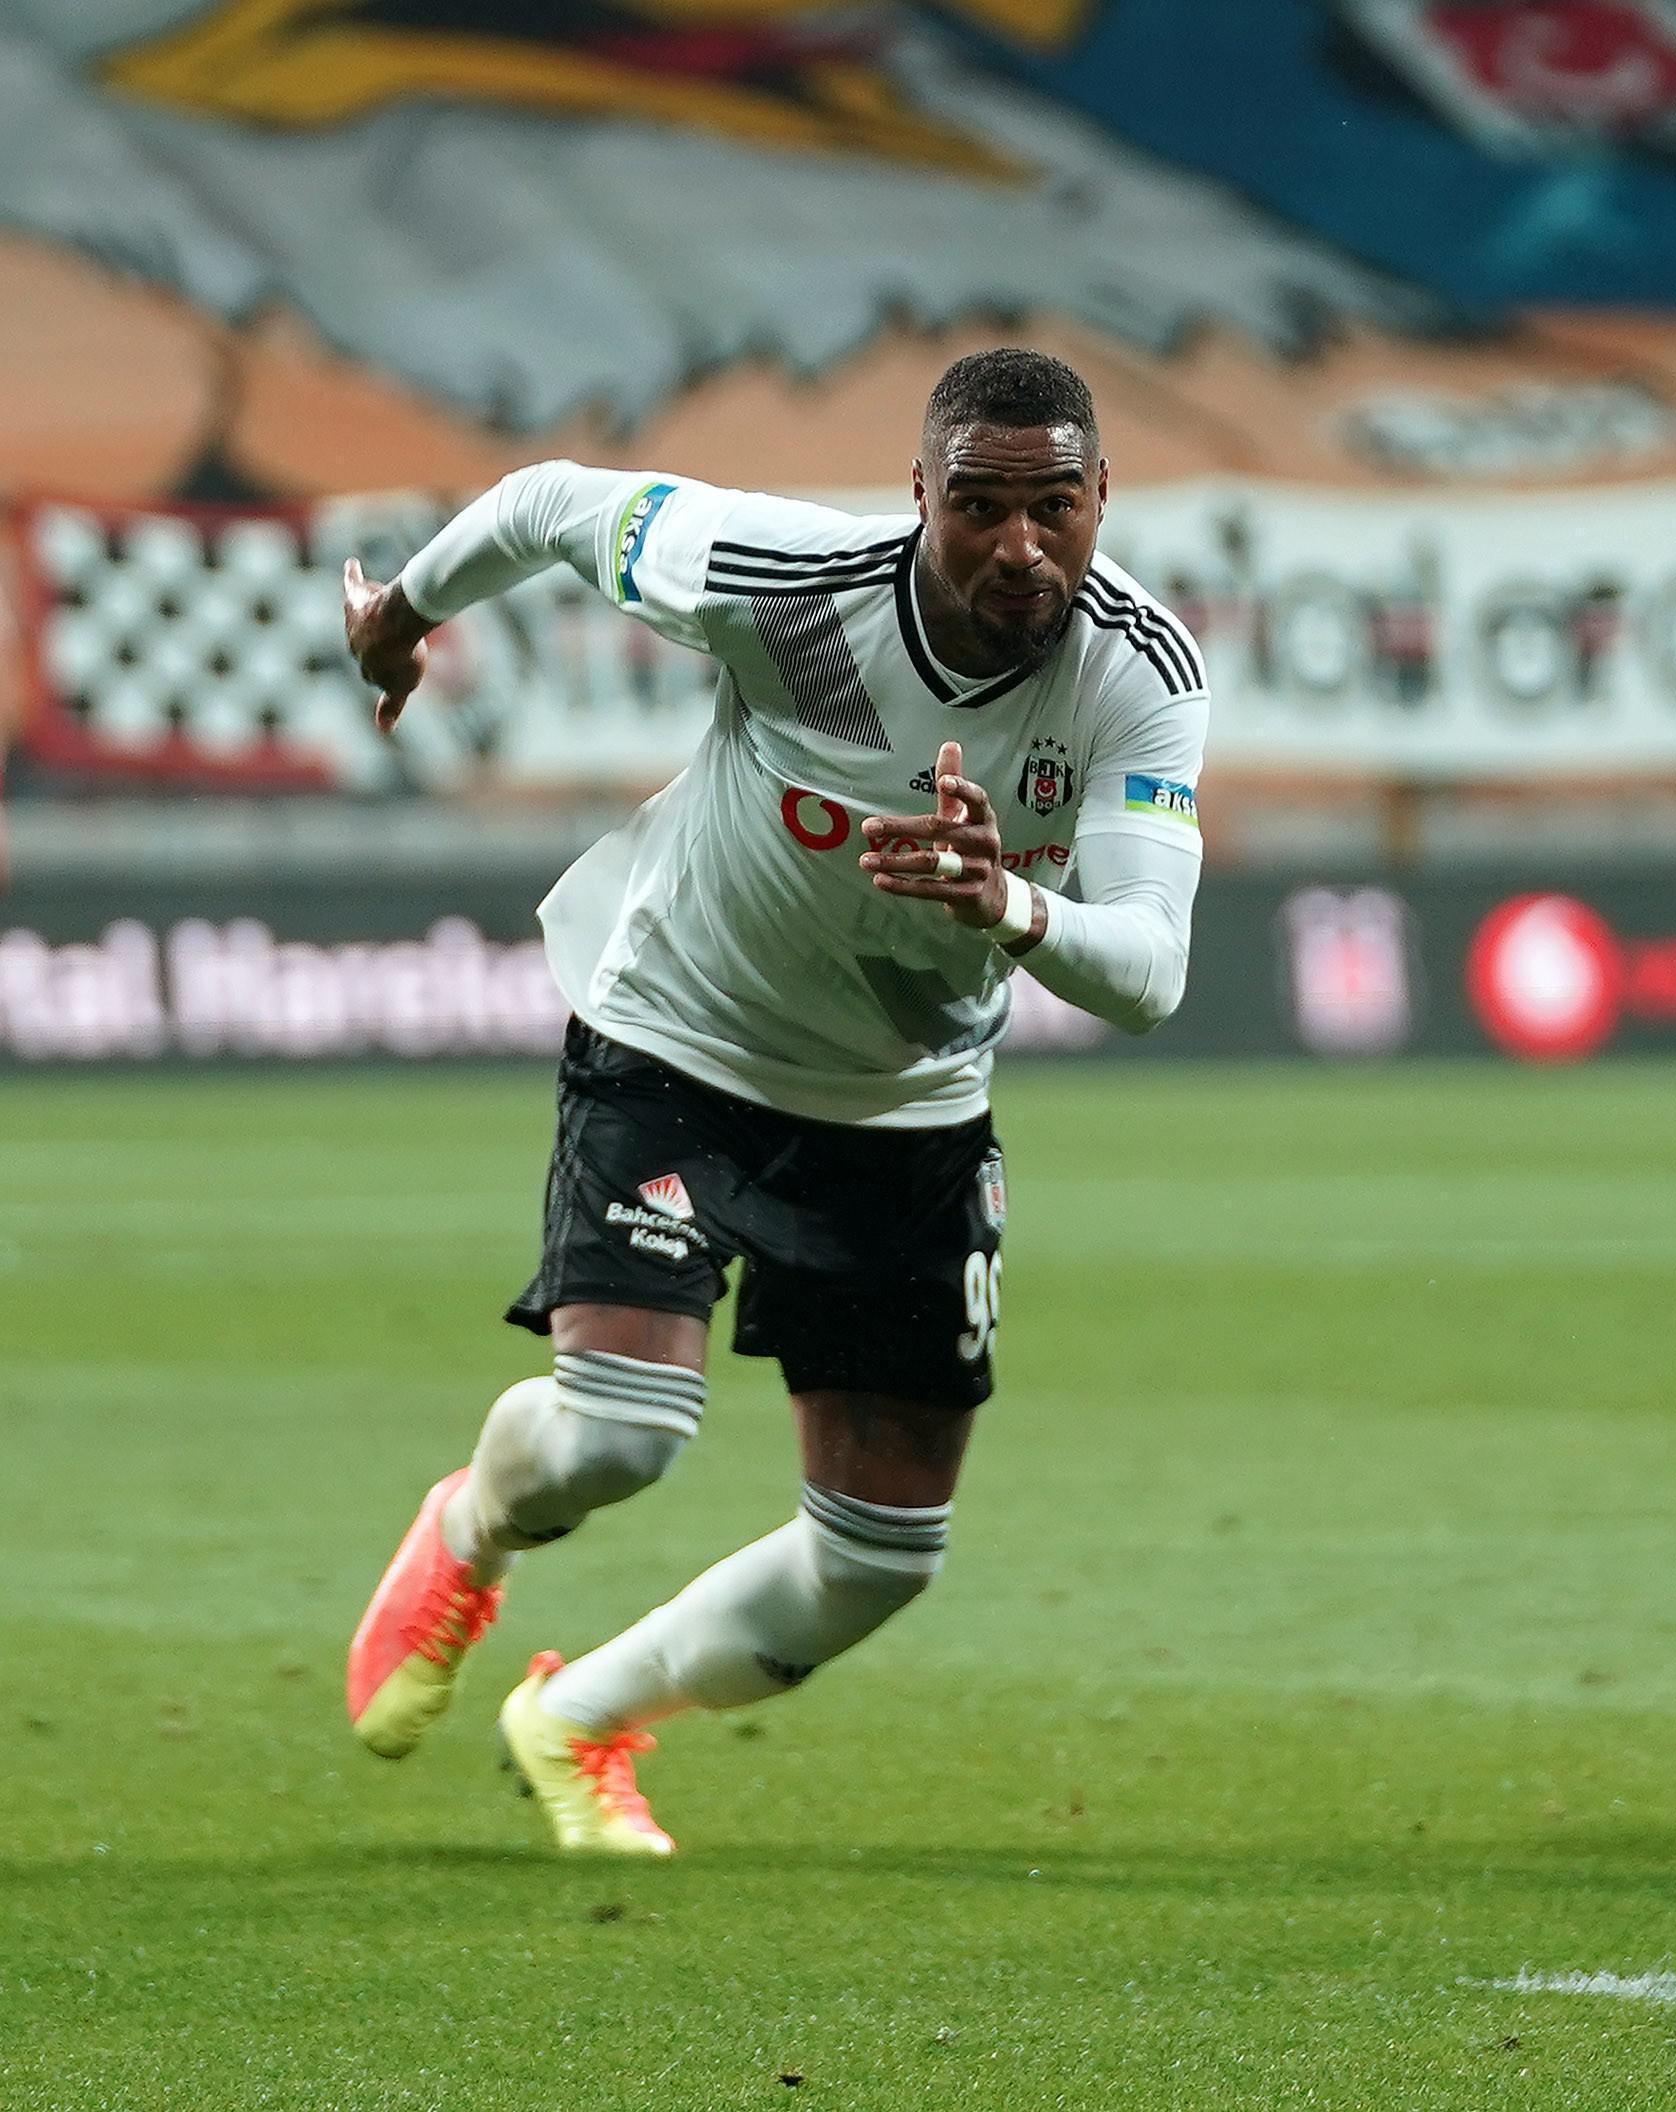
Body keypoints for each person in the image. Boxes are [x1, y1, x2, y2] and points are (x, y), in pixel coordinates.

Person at [338, 349, 1208, 1855]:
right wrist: (403, 617)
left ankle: (576, 1719)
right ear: (919, 494)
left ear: (1100, 499)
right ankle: (472, 1527)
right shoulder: (782, 578)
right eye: (982, 508)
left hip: (909, 1105)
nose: (1022, 547)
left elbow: (1150, 973)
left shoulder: (1140, 673)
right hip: (682, 1039)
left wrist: (1010, 903)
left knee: (879, 1557)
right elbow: (554, 503)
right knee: (621, 1434)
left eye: (1055, 508)